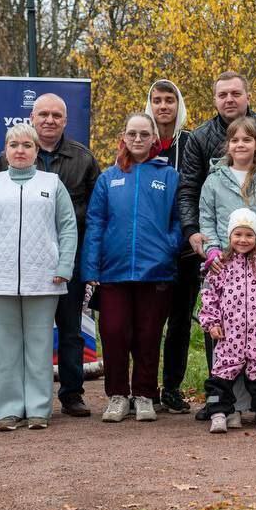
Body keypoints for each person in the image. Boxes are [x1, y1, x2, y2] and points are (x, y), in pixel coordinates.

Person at [178, 71, 256, 413]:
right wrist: (194, 233)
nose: (229, 99)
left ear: (248, 96)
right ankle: (223, 401)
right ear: (215, 99)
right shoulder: (201, 139)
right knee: (220, 330)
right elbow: (190, 190)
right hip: (220, 257)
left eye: (236, 93)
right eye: (223, 94)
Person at [0, 93, 100, 417]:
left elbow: (95, 213)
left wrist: (84, 260)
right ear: (32, 118)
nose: (50, 120)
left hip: (68, 260)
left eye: (56, 115)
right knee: (24, 336)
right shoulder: (10, 157)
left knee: (70, 331)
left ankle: (72, 394)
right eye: (43, 114)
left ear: (65, 121)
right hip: (23, 264)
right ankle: (23, 399)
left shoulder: (83, 158)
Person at [0, 123, 78, 431]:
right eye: (14, 145)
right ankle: (6, 410)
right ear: (5, 150)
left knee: (39, 346)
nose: (20, 150)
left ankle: (38, 409)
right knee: (4, 348)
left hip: (44, 279)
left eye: (27, 145)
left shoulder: (52, 183)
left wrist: (64, 266)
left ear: (36, 151)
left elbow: (68, 228)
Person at [82, 113, 181, 424]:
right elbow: (95, 224)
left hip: (156, 271)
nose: (138, 139)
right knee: (113, 333)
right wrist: (91, 269)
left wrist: (169, 246)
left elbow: (179, 220)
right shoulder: (108, 179)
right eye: (132, 134)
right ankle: (117, 395)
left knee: (149, 334)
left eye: (144, 134)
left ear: (154, 138)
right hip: (114, 271)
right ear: (123, 138)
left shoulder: (169, 177)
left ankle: (145, 394)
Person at [198, 115, 256, 423]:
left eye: (247, 140)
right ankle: (229, 408)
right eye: (235, 140)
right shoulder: (214, 180)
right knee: (227, 346)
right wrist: (211, 251)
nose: (240, 145)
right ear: (228, 145)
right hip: (225, 262)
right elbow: (206, 220)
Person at [198, 208, 256, 434]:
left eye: (249, 235)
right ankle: (219, 412)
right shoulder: (221, 265)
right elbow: (209, 295)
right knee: (221, 374)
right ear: (230, 236)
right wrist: (211, 322)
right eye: (238, 234)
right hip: (229, 335)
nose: (243, 240)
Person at [145, 79, 196, 413]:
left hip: (187, 249)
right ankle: (146, 387)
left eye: (169, 100)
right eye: (157, 100)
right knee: (149, 320)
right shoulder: (139, 139)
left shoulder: (191, 143)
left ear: (178, 106)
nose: (164, 106)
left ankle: (173, 387)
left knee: (180, 320)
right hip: (149, 248)